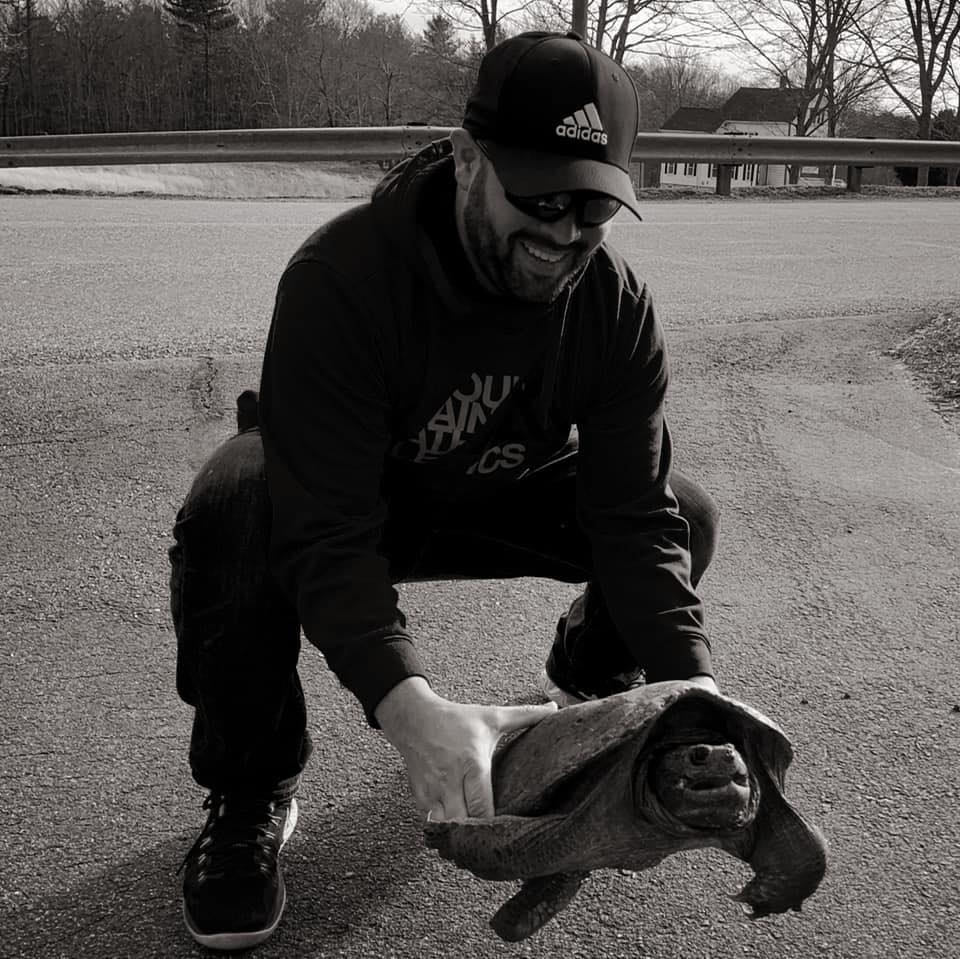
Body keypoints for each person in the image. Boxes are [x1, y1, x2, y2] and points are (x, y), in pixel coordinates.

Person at [169, 30, 720, 952]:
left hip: (498, 494)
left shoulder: (613, 305)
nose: (561, 235)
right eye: (539, 198)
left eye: (593, 210)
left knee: (685, 511)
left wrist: (695, 689)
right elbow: (328, 529)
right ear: (468, 158)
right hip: (353, 499)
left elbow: (631, 511)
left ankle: (591, 680)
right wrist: (407, 705)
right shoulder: (343, 279)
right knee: (234, 505)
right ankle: (252, 786)